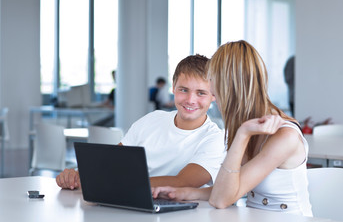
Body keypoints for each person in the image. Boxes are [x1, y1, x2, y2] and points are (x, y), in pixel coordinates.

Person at [152, 41, 312, 216]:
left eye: (212, 79)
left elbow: (221, 200)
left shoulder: (284, 136)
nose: (211, 90)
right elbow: (227, 188)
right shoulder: (248, 125)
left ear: (228, 85)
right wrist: (184, 193)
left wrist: (242, 135)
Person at [56, 54, 226, 190]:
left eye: (201, 93)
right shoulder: (152, 119)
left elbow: (183, 182)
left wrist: (118, 183)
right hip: (134, 207)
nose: (190, 99)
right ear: (173, 87)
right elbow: (112, 163)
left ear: (213, 95)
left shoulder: (215, 138)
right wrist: (78, 175)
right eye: (183, 90)